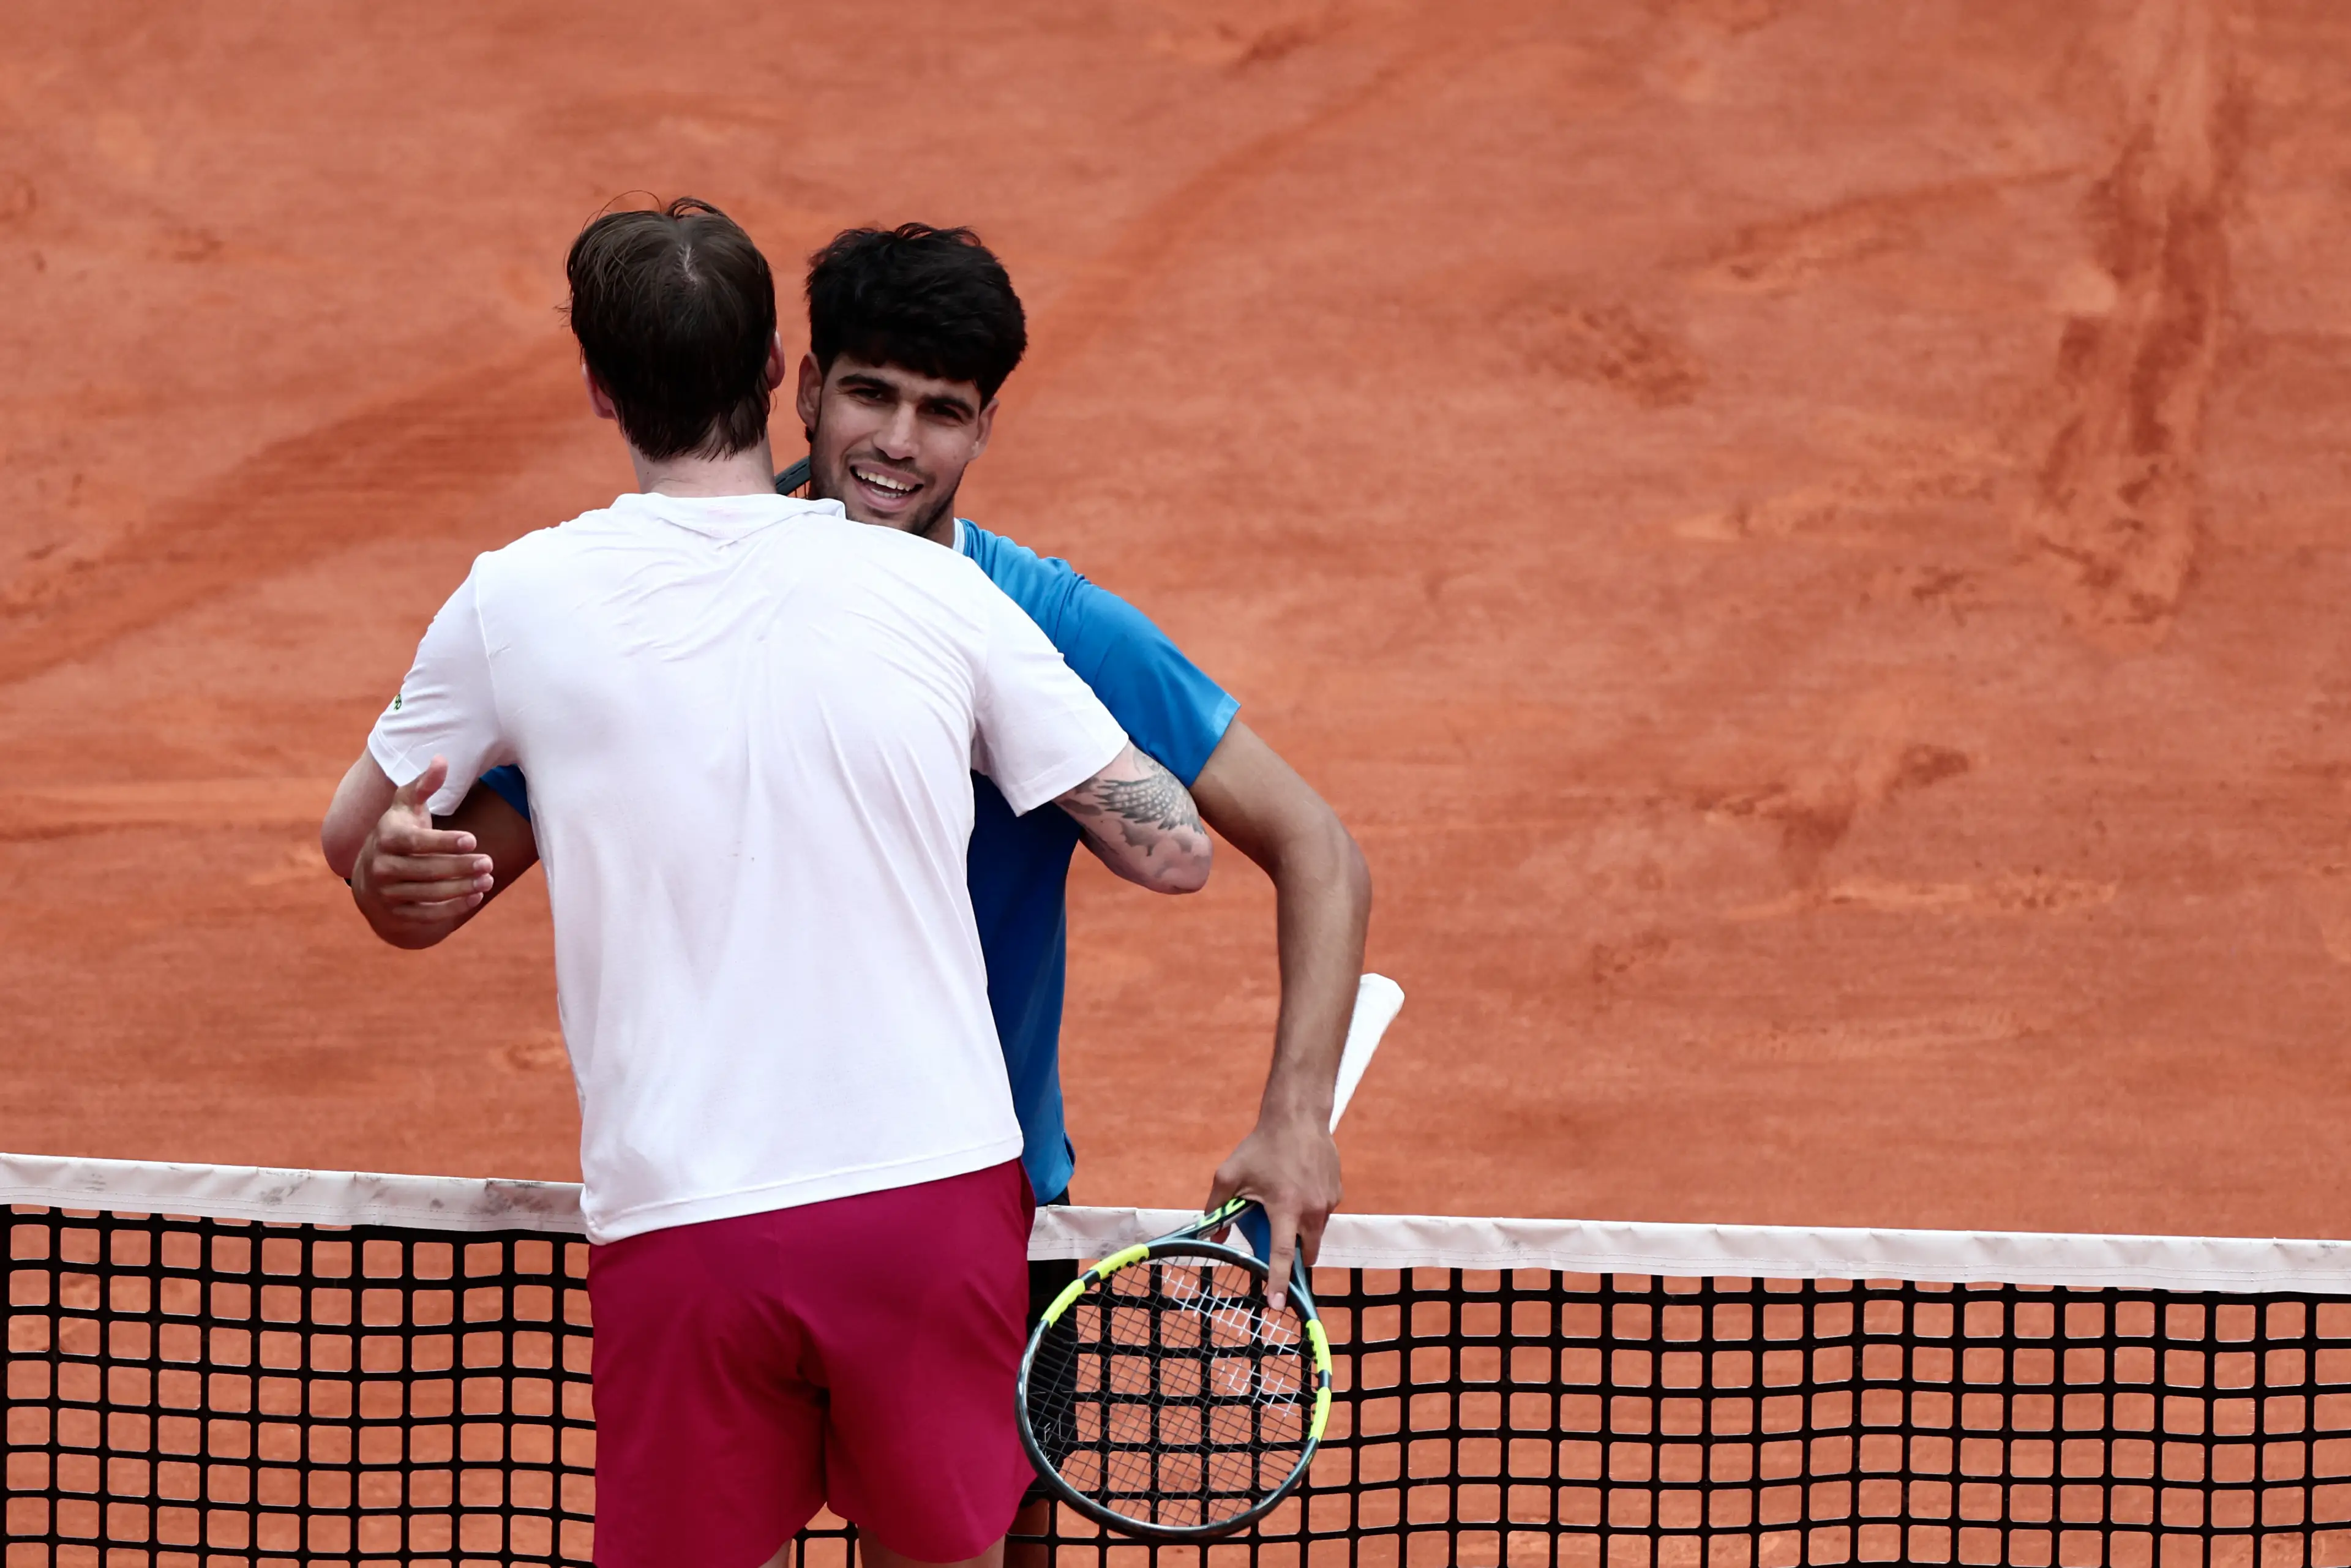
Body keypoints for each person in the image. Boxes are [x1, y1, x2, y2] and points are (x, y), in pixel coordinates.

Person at [347, 222, 1373, 1540]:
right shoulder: (653, 602)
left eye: (943, 412)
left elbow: (1318, 848)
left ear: (986, 427)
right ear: (805, 383)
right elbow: (448, 869)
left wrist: (1295, 1118)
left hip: (979, 1212)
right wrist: (399, 872)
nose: (897, 442)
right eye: (872, 394)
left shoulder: (1038, 619)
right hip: (724, 1209)